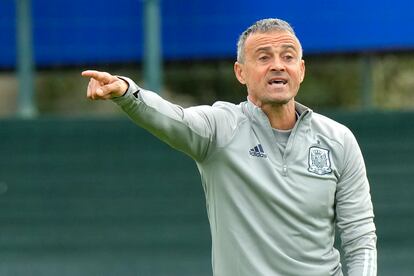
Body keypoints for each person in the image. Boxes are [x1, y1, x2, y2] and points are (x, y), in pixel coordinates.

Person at [81, 18, 377, 276]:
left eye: (287, 57)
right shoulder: (221, 127)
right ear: (240, 72)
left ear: (300, 70)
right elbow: (173, 119)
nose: (277, 65)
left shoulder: (338, 140)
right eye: (263, 57)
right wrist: (126, 92)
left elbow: (360, 237)